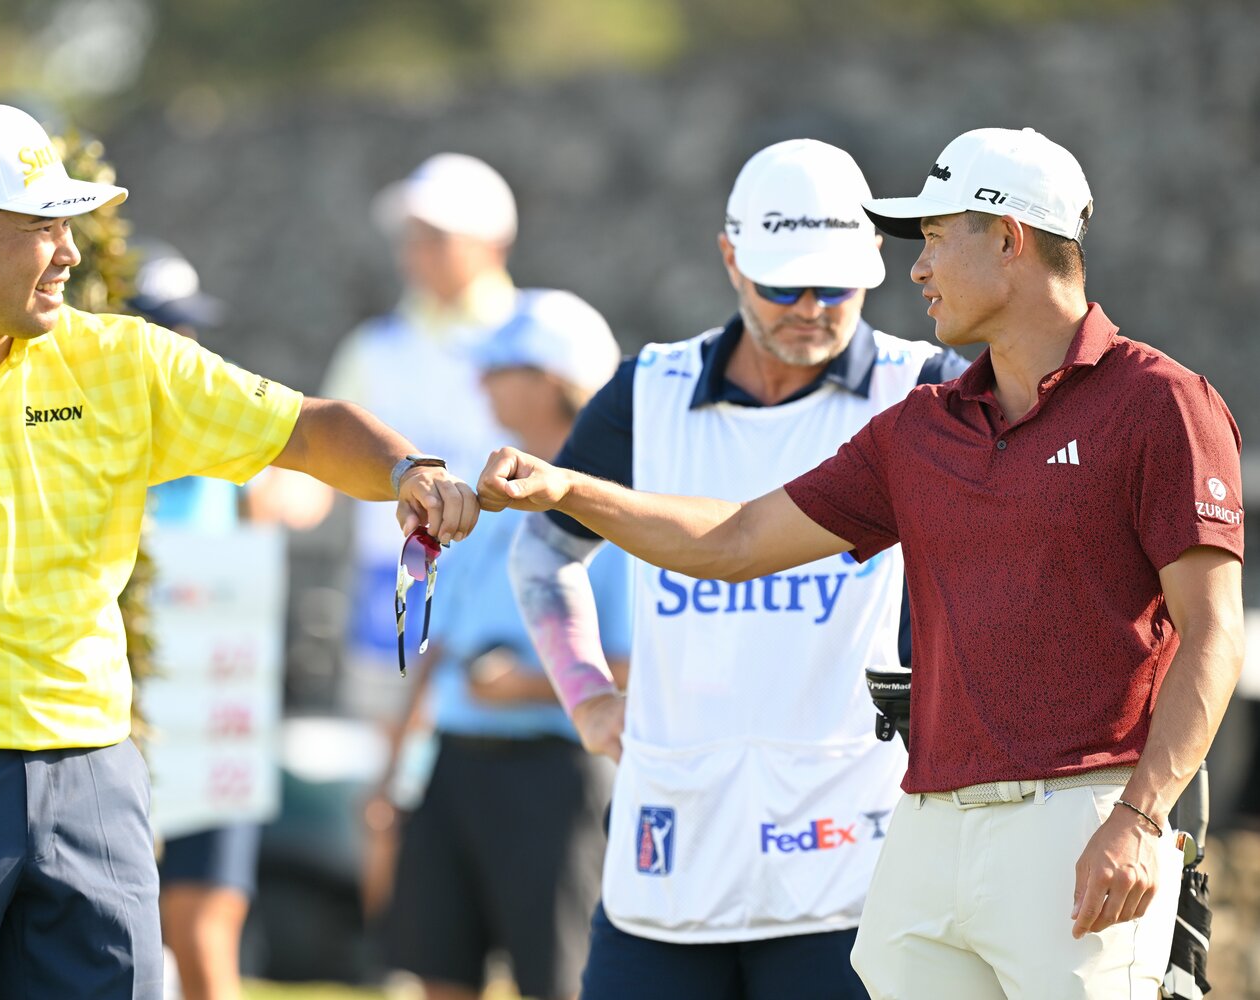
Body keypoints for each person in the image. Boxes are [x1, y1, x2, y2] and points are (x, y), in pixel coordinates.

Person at [479, 127, 1246, 999]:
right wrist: (570, 489)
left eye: (934, 239)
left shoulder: (1162, 402)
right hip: (923, 832)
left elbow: (1215, 631)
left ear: (1008, 238)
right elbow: (733, 540)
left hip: (1080, 818)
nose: (914, 271)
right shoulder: (921, 426)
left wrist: (1143, 815)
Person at [0, 103, 479, 999]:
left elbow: (306, 429)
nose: (71, 253)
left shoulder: (124, 362)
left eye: (69, 226)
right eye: (44, 229)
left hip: (93, 778)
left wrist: (406, 469)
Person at [504, 139, 968, 1000]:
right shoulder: (646, 390)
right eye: (780, 283)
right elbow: (542, 550)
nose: (809, 307)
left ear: (875, 266)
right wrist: (586, 696)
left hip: (853, 866)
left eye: (834, 285)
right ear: (730, 259)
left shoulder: (928, 389)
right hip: (669, 856)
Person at [377, 290, 631, 1000]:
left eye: (499, 367)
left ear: (553, 380)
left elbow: (642, 666)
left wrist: (519, 682)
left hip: (555, 776)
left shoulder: (616, 514)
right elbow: (441, 650)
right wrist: (395, 771)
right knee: (438, 971)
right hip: (456, 767)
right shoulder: (483, 503)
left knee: (559, 978)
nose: (481, 382)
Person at [129, 241, 332, 1000]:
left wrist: (272, 494)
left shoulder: (216, 436)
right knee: (118, 929)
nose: (179, 344)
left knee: (203, 928)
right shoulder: (88, 434)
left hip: (208, 722)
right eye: (159, 325)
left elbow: (311, 490)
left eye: (185, 327)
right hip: (114, 722)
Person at [321, 153, 519, 721]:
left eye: (436, 237)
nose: (415, 252)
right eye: (411, 237)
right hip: (391, 613)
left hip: (503, 618)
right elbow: (324, 458)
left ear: (493, 244)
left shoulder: (542, 339)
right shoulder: (373, 346)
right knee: (379, 790)